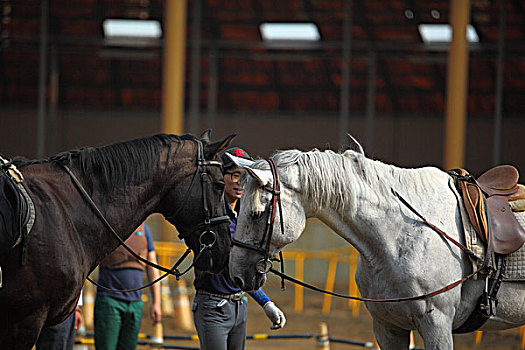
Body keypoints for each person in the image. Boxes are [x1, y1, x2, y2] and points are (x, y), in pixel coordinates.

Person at [192, 147, 286, 350]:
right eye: (234, 174)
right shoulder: (210, 218)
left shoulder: (244, 217)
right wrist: (264, 300)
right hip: (212, 305)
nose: (239, 181)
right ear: (221, 176)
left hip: (239, 305)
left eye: (243, 176)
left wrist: (265, 302)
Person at [94, 223, 161, 350]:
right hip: (110, 301)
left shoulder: (144, 229)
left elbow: (152, 267)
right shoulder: (109, 223)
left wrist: (156, 303)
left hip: (135, 304)